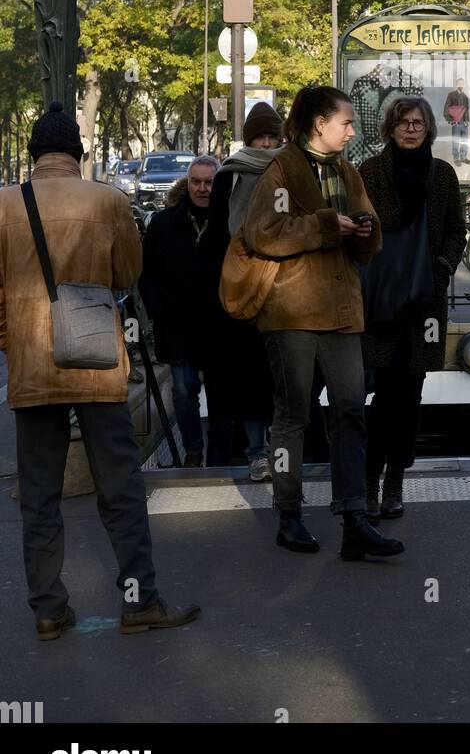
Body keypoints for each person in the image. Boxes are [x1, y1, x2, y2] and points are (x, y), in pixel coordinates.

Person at [0, 103, 199, 638]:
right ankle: (139, 600)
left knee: (40, 493)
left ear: (35, 154)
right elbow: (127, 274)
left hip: (32, 366)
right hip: (94, 359)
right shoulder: (108, 200)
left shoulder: (3, 206)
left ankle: (47, 609)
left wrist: (15, 339)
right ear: (78, 153)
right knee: (120, 488)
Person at [243, 84, 404, 562]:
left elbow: (367, 234)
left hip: (341, 311)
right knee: (293, 415)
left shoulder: (347, 171)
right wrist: (329, 224)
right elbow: (264, 233)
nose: (352, 131)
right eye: (346, 123)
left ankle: (354, 520)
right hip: (291, 311)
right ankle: (288, 515)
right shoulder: (282, 170)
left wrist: (366, 231)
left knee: (352, 409)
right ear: (319, 124)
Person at [358, 97, 466, 521]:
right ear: (390, 127)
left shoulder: (442, 175)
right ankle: (369, 480)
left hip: (424, 302)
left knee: (410, 394)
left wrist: (440, 271)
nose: (410, 129)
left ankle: (395, 482)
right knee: (382, 394)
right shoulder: (369, 172)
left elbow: (456, 230)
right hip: (382, 300)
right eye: (403, 122)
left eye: (418, 122)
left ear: (428, 128)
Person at [204, 103, 283, 482]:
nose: (267, 145)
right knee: (253, 378)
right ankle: (258, 454)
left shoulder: (293, 171)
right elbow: (217, 233)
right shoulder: (229, 176)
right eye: (260, 137)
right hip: (244, 288)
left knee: (285, 376)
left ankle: (285, 451)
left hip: (285, 287)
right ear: (249, 139)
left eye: (272, 137)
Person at [139, 155, 230, 466]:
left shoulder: (231, 221)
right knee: (183, 392)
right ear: (187, 183)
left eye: (209, 182)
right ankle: (193, 450)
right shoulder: (164, 223)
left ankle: (219, 456)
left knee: (222, 397)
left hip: (221, 324)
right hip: (178, 325)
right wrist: (156, 307)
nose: (202, 188)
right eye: (196, 182)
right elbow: (145, 270)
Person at [443, 79, 470, 166]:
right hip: (456, 122)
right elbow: (446, 109)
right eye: (459, 83)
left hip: (464, 123)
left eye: (463, 83)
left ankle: (463, 157)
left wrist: (467, 120)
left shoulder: (465, 97)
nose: (461, 85)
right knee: (456, 141)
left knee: (464, 141)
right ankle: (456, 158)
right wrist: (451, 121)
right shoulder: (451, 95)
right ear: (456, 84)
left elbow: (466, 110)